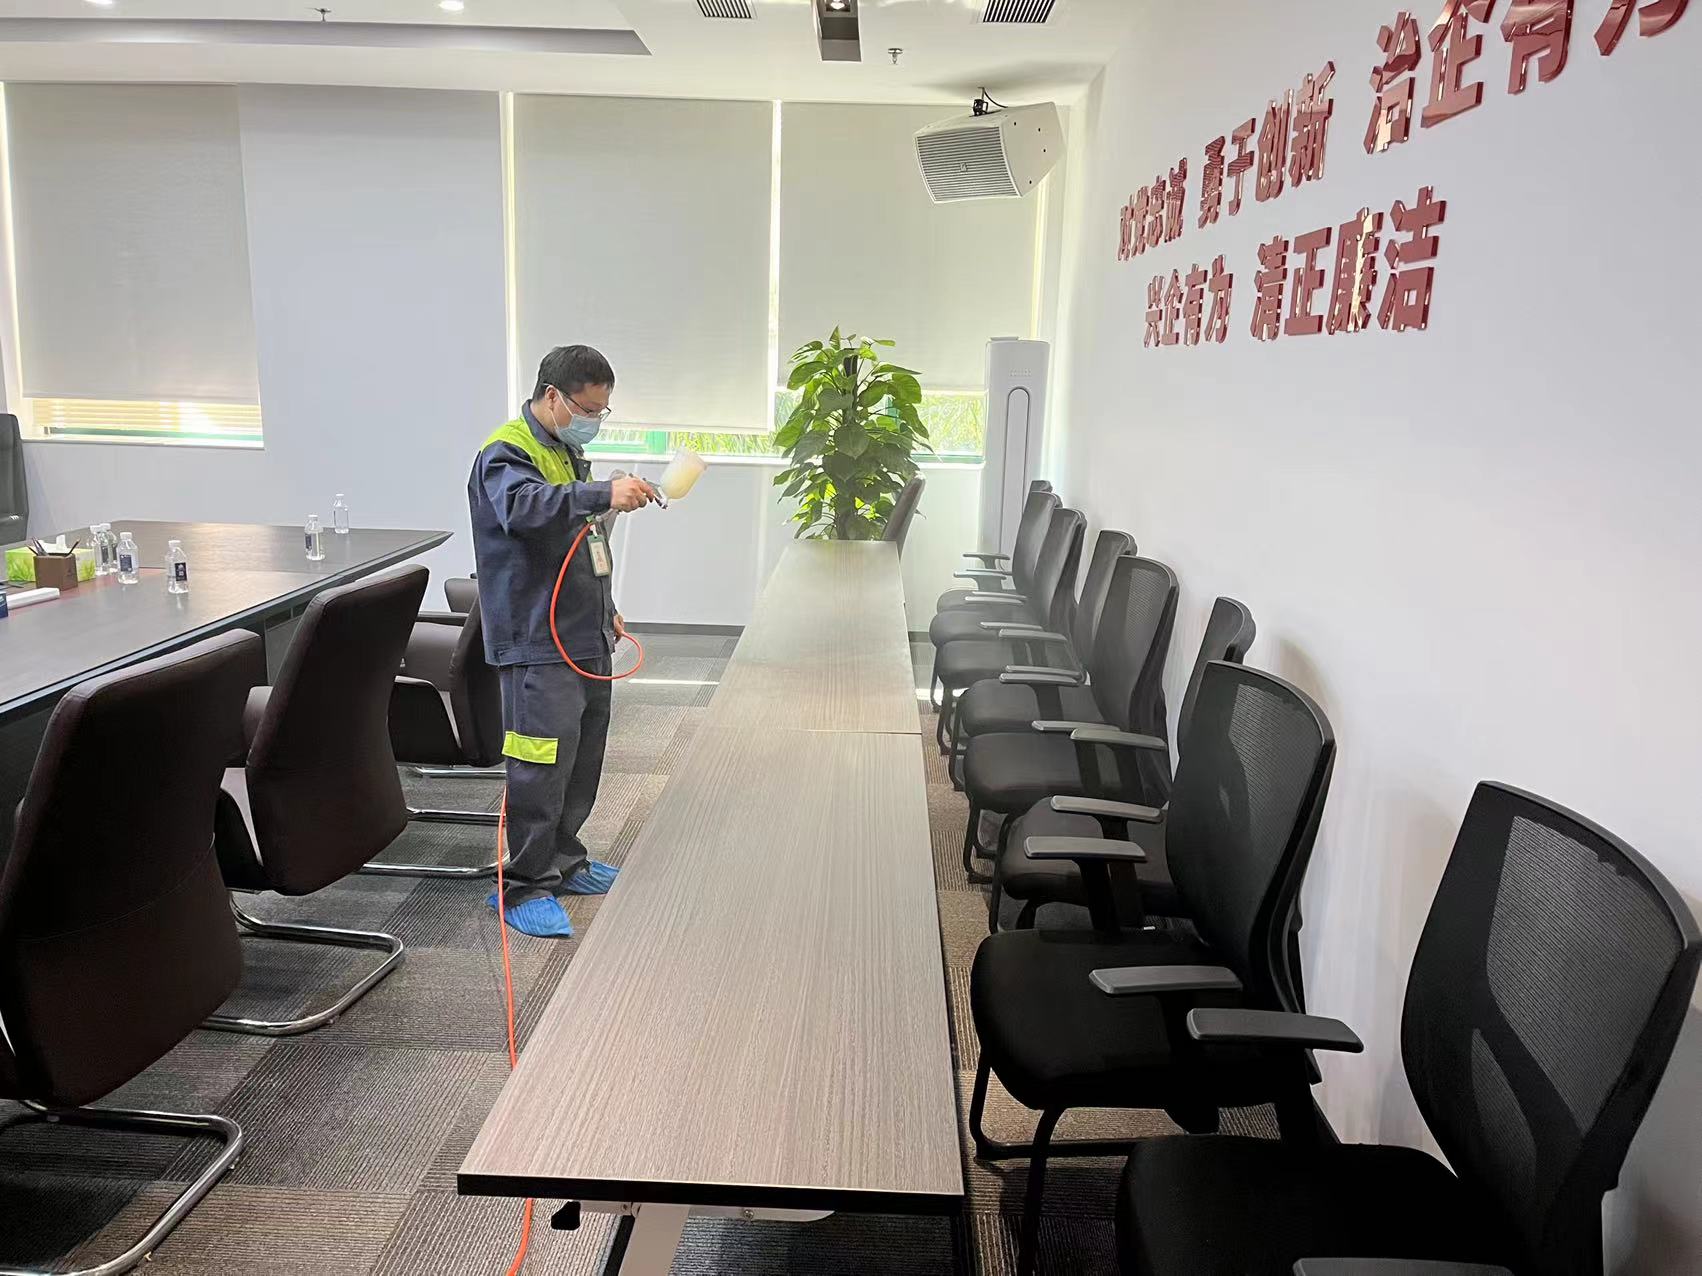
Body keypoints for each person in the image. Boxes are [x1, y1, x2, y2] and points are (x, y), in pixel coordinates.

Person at [468, 345, 655, 937]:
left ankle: (566, 861)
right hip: (536, 642)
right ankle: (523, 884)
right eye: (587, 409)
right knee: (539, 764)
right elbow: (525, 510)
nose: (593, 420)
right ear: (552, 396)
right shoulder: (506, 452)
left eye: (601, 411)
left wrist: (607, 609)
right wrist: (602, 494)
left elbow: (582, 541)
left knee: (581, 755)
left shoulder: (566, 451)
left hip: (582, 633)